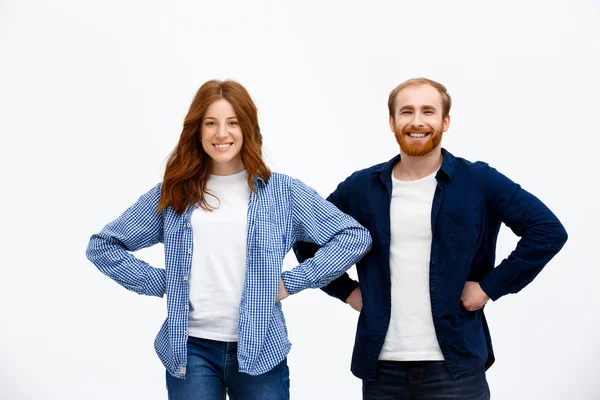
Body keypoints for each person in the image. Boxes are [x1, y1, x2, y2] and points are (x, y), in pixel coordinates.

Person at [86, 80, 372, 400]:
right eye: (211, 123)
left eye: (232, 122)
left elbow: (352, 237)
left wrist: (292, 282)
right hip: (190, 350)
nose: (222, 133)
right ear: (198, 130)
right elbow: (103, 245)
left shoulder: (282, 192)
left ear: (247, 127)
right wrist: (162, 281)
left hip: (261, 350)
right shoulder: (176, 192)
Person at [294, 77, 568, 399]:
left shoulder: (478, 181)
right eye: (407, 112)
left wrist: (488, 287)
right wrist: (346, 290)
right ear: (393, 122)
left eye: (428, 111)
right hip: (383, 368)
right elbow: (306, 236)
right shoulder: (361, 188)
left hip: (456, 367)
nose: (418, 121)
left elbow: (547, 230)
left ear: (445, 121)